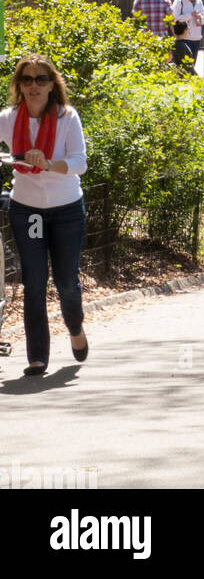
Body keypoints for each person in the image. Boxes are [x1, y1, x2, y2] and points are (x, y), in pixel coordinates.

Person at [0, 55, 89, 375]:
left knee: (66, 281)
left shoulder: (67, 117)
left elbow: (79, 163)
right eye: (27, 79)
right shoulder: (8, 118)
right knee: (33, 281)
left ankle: (76, 329)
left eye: (41, 79)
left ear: (52, 84)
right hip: (27, 210)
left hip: (66, 210)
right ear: (18, 85)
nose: (33, 85)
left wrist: (48, 163)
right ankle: (37, 356)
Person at [171, 0, 204, 66]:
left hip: (196, 37)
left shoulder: (199, 1)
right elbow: (175, 19)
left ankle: (190, 80)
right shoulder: (179, 1)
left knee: (192, 64)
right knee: (185, 65)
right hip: (184, 38)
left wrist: (200, 18)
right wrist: (190, 15)